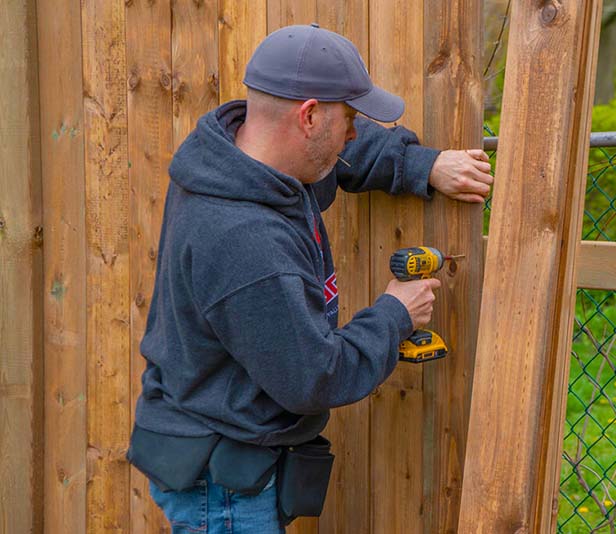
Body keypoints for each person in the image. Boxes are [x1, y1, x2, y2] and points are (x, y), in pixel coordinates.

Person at [127, 23, 493, 534]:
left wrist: (421, 165)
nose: (354, 132)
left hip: (220, 452)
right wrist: (395, 315)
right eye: (349, 118)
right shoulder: (245, 241)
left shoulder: (242, 160)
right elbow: (313, 377)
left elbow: (337, 155)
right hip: (224, 487)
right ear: (309, 116)